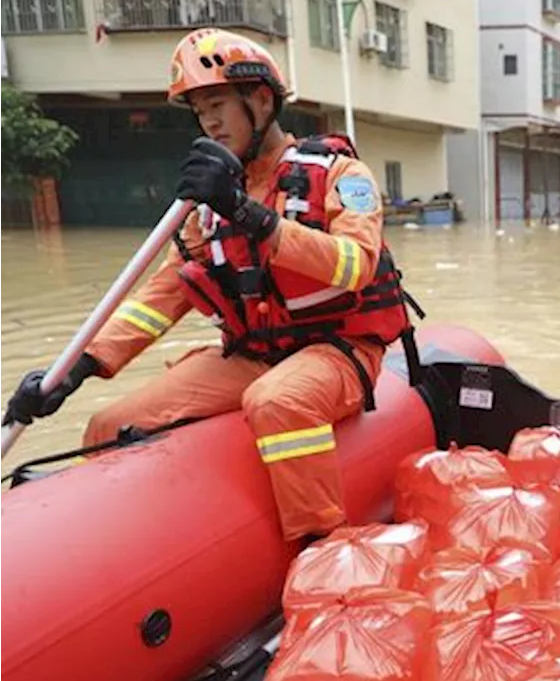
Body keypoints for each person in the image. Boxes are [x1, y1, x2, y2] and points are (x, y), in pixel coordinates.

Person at [2, 28, 420, 542]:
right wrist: (78, 367)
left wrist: (251, 216)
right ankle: (116, 547)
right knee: (109, 424)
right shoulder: (210, 204)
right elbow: (162, 297)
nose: (210, 122)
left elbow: (354, 264)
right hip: (252, 354)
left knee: (278, 402)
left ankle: (322, 546)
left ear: (261, 99)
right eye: (200, 111)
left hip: (338, 350)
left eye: (218, 103)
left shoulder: (341, 174)